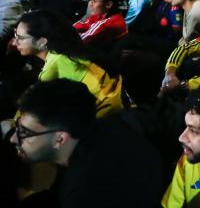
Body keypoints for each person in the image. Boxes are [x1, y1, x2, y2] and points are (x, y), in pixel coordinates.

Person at [10, 79, 162, 208]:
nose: (13, 139)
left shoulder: (81, 192)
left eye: (24, 133)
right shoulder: (111, 125)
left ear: (60, 139)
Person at [12, 10, 124, 117]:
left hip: (105, 115)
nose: (14, 42)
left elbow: (32, 107)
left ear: (42, 41)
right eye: (15, 35)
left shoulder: (55, 64)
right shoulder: (69, 49)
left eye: (20, 38)